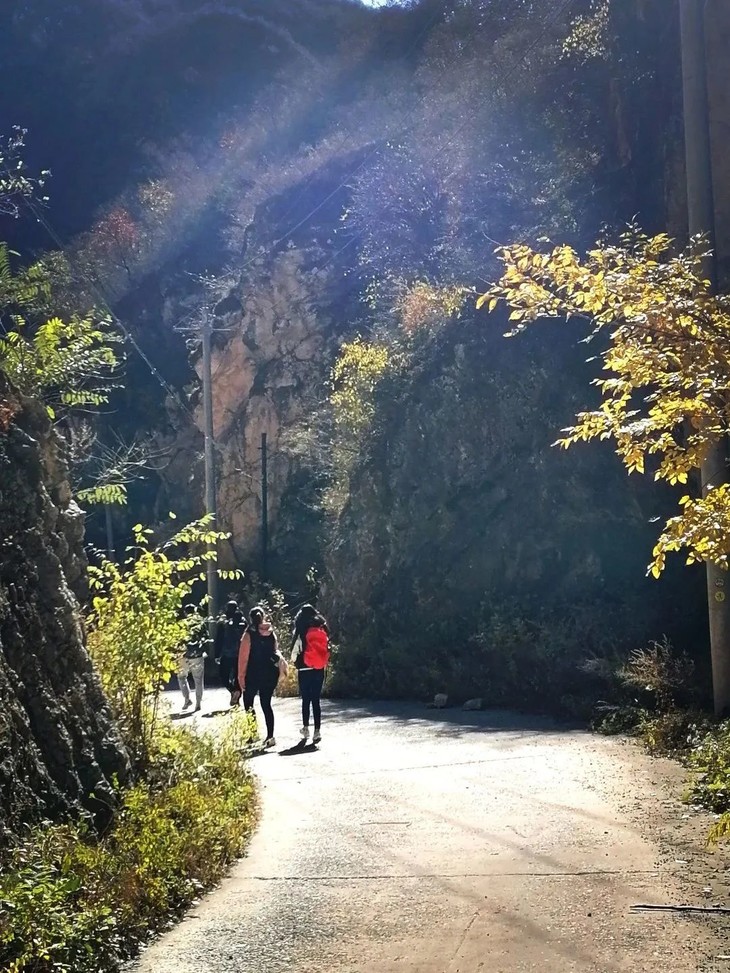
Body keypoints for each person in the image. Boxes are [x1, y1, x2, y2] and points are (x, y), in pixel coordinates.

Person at [238, 606, 286, 748]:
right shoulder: (271, 632)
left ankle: (253, 734)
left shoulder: (248, 635)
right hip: (270, 673)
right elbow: (275, 650)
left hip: (253, 673)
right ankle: (270, 736)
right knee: (266, 704)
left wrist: (241, 676)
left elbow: (243, 659)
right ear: (263, 616)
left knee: (248, 703)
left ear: (250, 618)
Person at [289, 604, 330, 745]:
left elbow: (294, 652)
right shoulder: (322, 627)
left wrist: (296, 662)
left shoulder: (301, 629)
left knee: (306, 700)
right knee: (316, 700)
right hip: (319, 667)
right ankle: (317, 731)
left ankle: (306, 728)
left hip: (304, 669)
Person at [177, 603, 210, 712]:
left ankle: (187, 698)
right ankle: (198, 703)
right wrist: (205, 651)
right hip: (197, 655)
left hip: (183, 655)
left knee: (181, 677)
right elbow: (206, 638)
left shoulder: (182, 624)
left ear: (185, 612)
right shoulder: (200, 624)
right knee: (198, 680)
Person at [214, 599, 246, 706]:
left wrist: (216, 654)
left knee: (223, 676)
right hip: (240, 654)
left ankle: (232, 690)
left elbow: (219, 639)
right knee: (238, 676)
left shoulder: (223, 622)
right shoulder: (243, 621)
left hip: (226, 654)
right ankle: (237, 692)